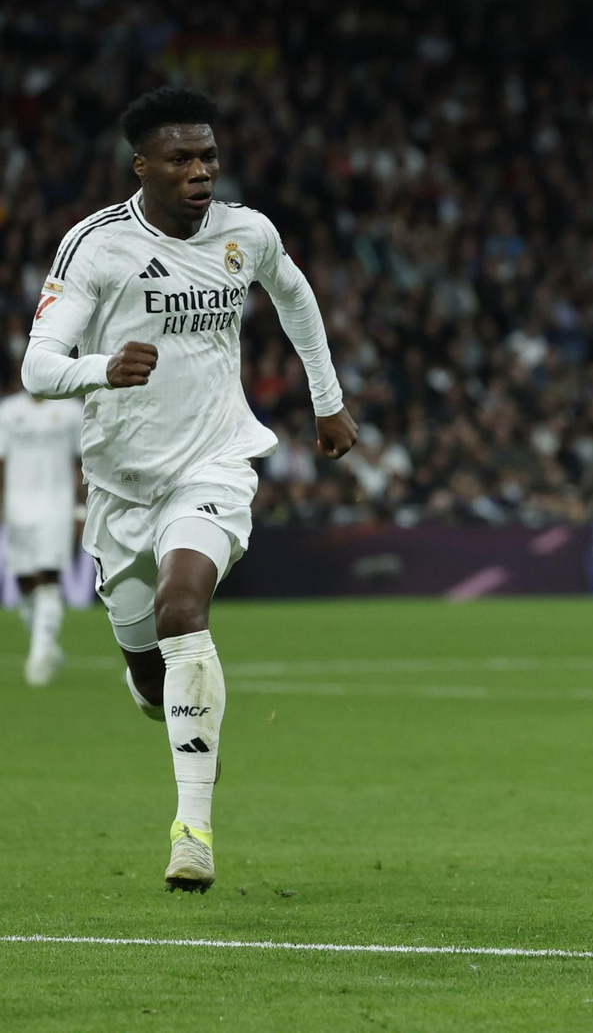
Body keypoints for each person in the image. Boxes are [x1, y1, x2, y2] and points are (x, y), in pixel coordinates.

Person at [22, 86, 358, 893]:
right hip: (120, 486)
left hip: (213, 463)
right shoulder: (94, 247)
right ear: (144, 167)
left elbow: (296, 295)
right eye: (180, 159)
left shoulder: (248, 233)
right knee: (149, 668)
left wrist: (328, 399)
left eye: (207, 155)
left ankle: (193, 832)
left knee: (185, 607)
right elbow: (38, 367)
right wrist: (101, 368)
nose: (200, 170)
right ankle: (154, 685)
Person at [0, 388, 82, 686]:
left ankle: (39, 656)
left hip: (56, 505)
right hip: (18, 508)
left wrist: (81, 508)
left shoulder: (71, 411)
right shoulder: (8, 411)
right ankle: (48, 646)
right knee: (24, 583)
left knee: (49, 577)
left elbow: (82, 462)